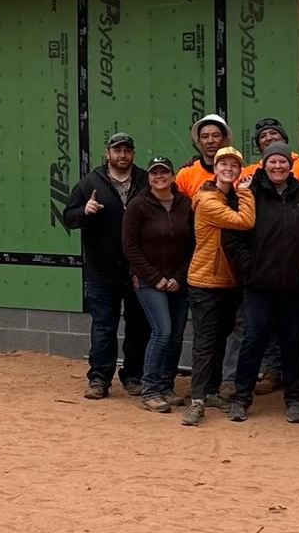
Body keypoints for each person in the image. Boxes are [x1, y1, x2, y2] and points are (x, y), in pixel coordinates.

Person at [223, 143, 299, 422]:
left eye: (282, 162)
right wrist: (249, 268)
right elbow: (232, 237)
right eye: (272, 162)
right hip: (258, 285)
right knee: (253, 340)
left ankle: (294, 400)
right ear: (263, 165)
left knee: (293, 342)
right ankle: (241, 398)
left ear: (291, 165)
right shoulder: (248, 195)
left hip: (294, 286)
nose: (278, 167)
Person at [60, 132, 151, 399]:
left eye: (127, 150)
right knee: (103, 326)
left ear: (133, 153)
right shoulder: (90, 182)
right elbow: (68, 217)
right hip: (101, 271)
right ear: (107, 153)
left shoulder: (146, 180)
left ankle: (133, 375)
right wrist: (83, 211)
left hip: (137, 269)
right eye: (117, 150)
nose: (122, 155)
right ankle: (99, 378)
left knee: (139, 326)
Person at [181, 146, 256, 426]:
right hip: (205, 282)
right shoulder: (209, 200)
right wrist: (247, 193)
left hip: (227, 281)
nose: (229, 168)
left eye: (234, 165)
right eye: (223, 164)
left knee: (220, 340)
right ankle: (198, 399)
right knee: (205, 342)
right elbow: (245, 221)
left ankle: (211, 391)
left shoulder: (227, 196)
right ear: (215, 168)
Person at [123, 155, 197, 412]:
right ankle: (151, 389)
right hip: (147, 280)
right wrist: (155, 278)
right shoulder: (138, 205)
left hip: (178, 281)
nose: (159, 177)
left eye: (164, 172)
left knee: (176, 335)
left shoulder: (184, 205)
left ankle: (166, 386)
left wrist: (178, 277)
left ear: (173, 176)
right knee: (162, 332)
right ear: (149, 178)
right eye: (154, 173)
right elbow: (130, 247)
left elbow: (192, 245)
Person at [241, 118, 299, 188]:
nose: (268, 138)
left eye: (273, 133)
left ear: (284, 139)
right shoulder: (248, 172)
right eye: (263, 136)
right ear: (259, 146)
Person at [175, 113, 231, 198]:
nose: (210, 141)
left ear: (224, 139)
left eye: (216, 136)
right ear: (198, 141)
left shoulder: (236, 173)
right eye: (205, 137)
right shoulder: (185, 174)